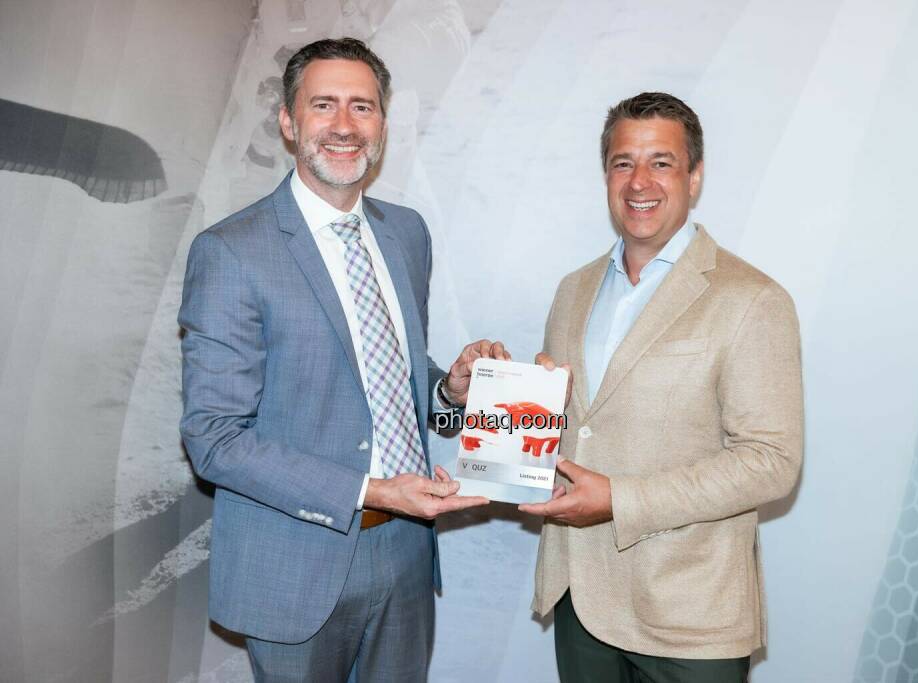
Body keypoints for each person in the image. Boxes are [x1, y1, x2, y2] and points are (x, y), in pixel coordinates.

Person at [178, 37, 502, 682]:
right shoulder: (231, 252)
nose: (345, 125)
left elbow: (383, 377)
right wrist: (372, 491)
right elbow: (213, 439)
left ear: (382, 123)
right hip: (295, 563)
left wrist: (450, 392)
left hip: (407, 554)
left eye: (363, 106)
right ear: (288, 121)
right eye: (324, 104)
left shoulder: (406, 233)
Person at [521, 92, 804, 683]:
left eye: (661, 162)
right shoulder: (572, 291)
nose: (639, 182)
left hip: (690, 616)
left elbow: (772, 461)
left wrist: (620, 500)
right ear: (606, 175)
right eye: (623, 162)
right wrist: (499, 403)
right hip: (579, 596)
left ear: (694, 177)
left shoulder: (752, 299)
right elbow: (575, 429)